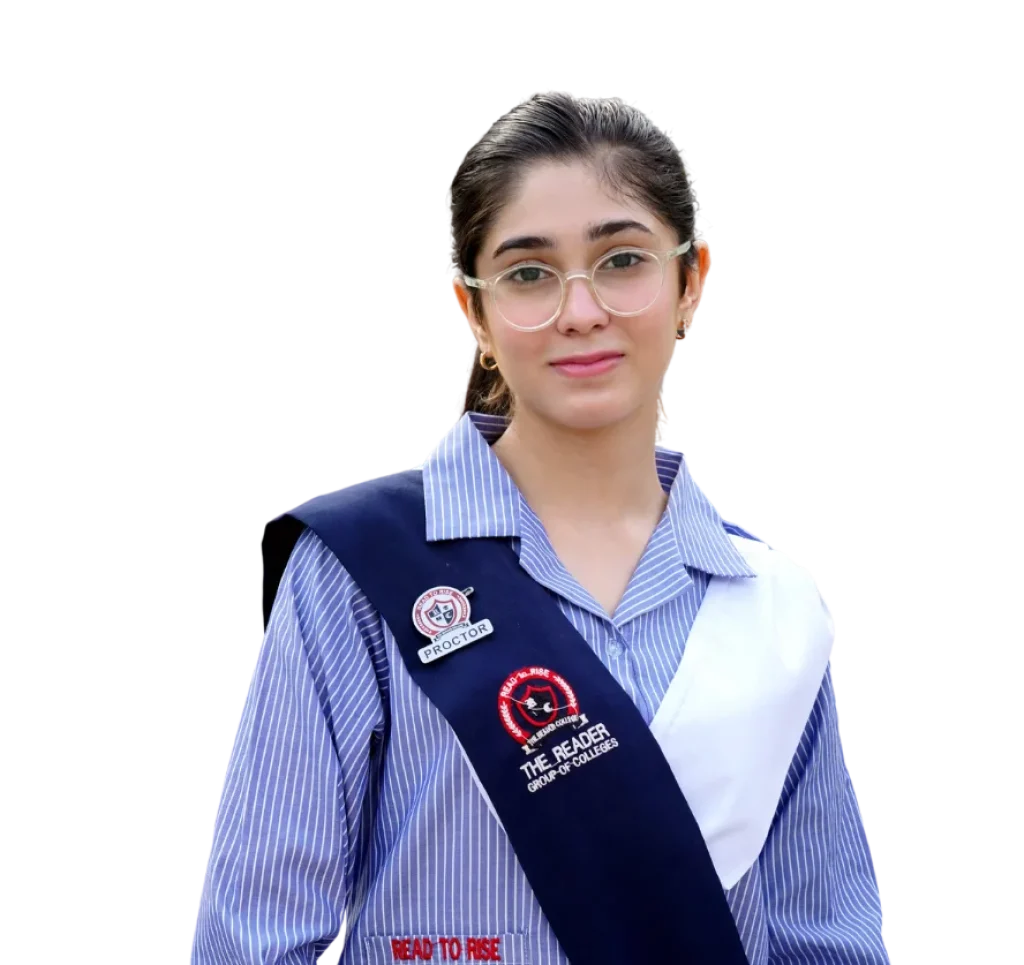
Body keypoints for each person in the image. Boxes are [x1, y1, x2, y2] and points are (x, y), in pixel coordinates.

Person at [193, 91, 887, 964]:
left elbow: (824, 940)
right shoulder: (363, 569)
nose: (580, 310)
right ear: (473, 311)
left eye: (622, 260)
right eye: (528, 273)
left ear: (691, 280)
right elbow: (252, 939)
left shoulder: (772, 605)